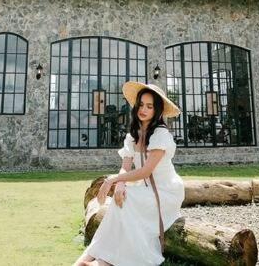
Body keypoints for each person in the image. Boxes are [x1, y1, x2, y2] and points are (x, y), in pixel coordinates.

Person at [75, 81, 185, 266]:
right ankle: (90, 256)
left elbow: (145, 171)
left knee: (127, 200)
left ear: (157, 110)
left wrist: (114, 180)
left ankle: (103, 262)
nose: (143, 109)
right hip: (145, 189)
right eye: (141, 104)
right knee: (121, 198)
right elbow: (126, 166)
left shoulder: (161, 135)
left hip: (166, 192)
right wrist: (120, 184)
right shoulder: (133, 135)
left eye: (149, 106)